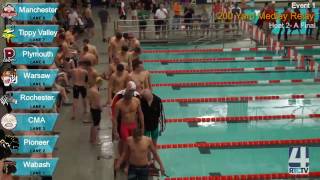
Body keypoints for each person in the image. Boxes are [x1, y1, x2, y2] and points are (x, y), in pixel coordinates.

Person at [88, 77, 103, 144]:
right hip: (96, 110)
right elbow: (98, 104)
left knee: (93, 124)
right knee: (96, 126)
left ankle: (91, 139)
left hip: (92, 108)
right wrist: (101, 109)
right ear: (99, 83)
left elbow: (90, 101)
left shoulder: (91, 89)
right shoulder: (97, 92)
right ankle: (95, 140)